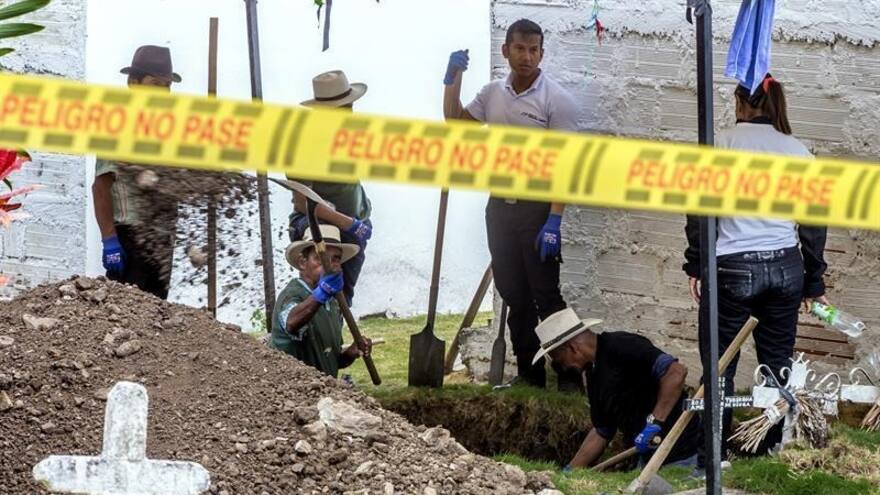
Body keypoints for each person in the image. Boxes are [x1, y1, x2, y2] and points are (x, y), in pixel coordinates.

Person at [683, 73, 829, 457]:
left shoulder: (719, 146)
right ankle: (769, 449)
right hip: (786, 266)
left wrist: (696, 264)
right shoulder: (799, 152)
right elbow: (814, 226)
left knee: (719, 368)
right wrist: (813, 282)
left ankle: (712, 457)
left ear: (739, 103)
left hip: (732, 267)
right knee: (776, 364)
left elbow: (698, 214)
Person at [443, 18, 583, 391]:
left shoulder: (556, 101)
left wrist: (554, 220)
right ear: (506, 51)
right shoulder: (492, 94)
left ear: (542, 53)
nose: (527, 57)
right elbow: (455, 123)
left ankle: (570, 376)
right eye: (520, 49)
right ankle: (528, 376)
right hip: (499, 210)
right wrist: (452, 78)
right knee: (515, 297)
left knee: (547, 296)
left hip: (538, 210)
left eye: (534, 50)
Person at [535, 308, 701, 469]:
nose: (562, 367)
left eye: (559, 360)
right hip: (647, 460)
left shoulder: (623, 346)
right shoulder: (593, 376)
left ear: (573, 348)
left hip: (683, 454)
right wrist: (572, 469)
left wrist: (655, 422)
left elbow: (676, 372)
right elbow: (602, 431)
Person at [92, 45, 182, 299]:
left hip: (163, 235)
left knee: (155, 312)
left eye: (167, 86)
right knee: (127, 311)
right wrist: (109, 240)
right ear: (133, 82)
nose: (162, 92)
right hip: (131, 236)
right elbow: (101, 188)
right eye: (155, 83)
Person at [288, 70, 373, 307]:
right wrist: (347, 223)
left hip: (353, 225)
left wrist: (361, 218)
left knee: (344, 296)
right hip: (318, 225)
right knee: (319, 293)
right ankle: (305, 340)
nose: (350, 112)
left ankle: (335, 340)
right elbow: (302, 202)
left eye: (349, 106)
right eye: (343, 108)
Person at [271, 224, 372, 378]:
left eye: (336, 259)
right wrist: (322, 293)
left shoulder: (333, 304)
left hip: (322, 395)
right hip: (292, 396)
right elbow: (291, 323)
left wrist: (350, 353)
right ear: (302, 263)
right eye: (320, 258)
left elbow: (330, 360)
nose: (329, 265)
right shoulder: (292, 295)